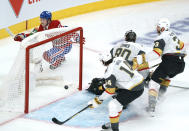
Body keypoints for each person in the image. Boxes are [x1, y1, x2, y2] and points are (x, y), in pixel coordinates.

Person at [133, 18, 186, 116]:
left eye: (158, 27)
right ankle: (160, 95)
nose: (156, 28)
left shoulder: (161, 37)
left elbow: (156, 53)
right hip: (181, 64)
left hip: (169, 62)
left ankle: (151, 108)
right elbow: (183, 48)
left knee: (154, 81)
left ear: (162, 28)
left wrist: (139, 59)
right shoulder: (173, 34)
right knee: (166, 75)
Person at [88, 57, 144, 131]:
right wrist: (104, 86)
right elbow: (134, 65)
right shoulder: (119, 59)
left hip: (133, 89)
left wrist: (98, 100)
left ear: (103, 61)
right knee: (117, 103)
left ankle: (115, 129)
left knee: (113, 104)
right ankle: (113, 123)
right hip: (138, 82)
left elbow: (110, 91)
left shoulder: (109, 72)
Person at [14, 11, 78, 70]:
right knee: (48, 54)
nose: (41, 21)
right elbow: (35, 35)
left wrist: (77, 37)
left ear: (49, 20)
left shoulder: (56, 24)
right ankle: (61, 58)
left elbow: (66, 29)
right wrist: (23, 37)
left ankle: (57, 62)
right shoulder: (42, 27)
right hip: (56, 46)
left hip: (65, 46)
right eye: (41, 19)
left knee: (46, 55)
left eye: (43, 20)